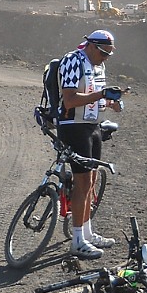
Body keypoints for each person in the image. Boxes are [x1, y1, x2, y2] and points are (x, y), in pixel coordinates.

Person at [57, 29, 122, 259]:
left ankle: (87, 232)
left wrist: (109, 101)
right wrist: (101, 94)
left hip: (92, 125)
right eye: (103, 53)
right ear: (92, 46)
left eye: (109, 54)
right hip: (73, 126)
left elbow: (94, 95)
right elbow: (71, 99)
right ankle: (77, 241)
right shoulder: (72, 60)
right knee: (82, 182)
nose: (106, 58)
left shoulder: (98, 65)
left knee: (91, 181)